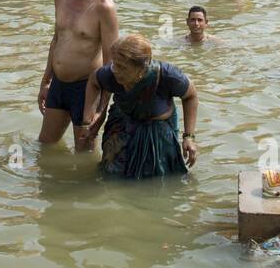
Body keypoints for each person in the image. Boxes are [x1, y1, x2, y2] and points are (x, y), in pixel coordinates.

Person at [79, 34, 198, 177]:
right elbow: (93, 82)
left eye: (122, 67)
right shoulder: (111, 74)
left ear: (142, 68)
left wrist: (188, 137)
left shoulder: (168, 76)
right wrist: (92, 118)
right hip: (122, 126)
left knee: (160, 176)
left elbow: (191, 96)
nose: (116, 70)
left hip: (157, 132)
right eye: (114, 64)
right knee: (112, 175)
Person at [38, 0, 120, 150]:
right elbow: (56, 39)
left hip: (86, 89)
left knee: (84, 155)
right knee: (45, 146)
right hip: (58, 84)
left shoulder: (104, 7)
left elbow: (111, 62)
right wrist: (45, 82)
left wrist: (101, 109)